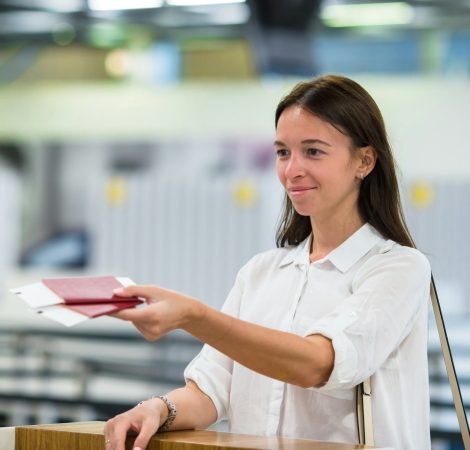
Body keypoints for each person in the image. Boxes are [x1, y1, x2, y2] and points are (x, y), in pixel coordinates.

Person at [104, 74, 431, 450]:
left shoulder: (398, 268)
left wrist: (194, 316)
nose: (292, 170)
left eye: (313, 151)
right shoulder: (261, 273)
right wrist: (157, 409)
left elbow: (318, 363)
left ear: (364, 160)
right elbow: (210, 391)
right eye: (282, 152)